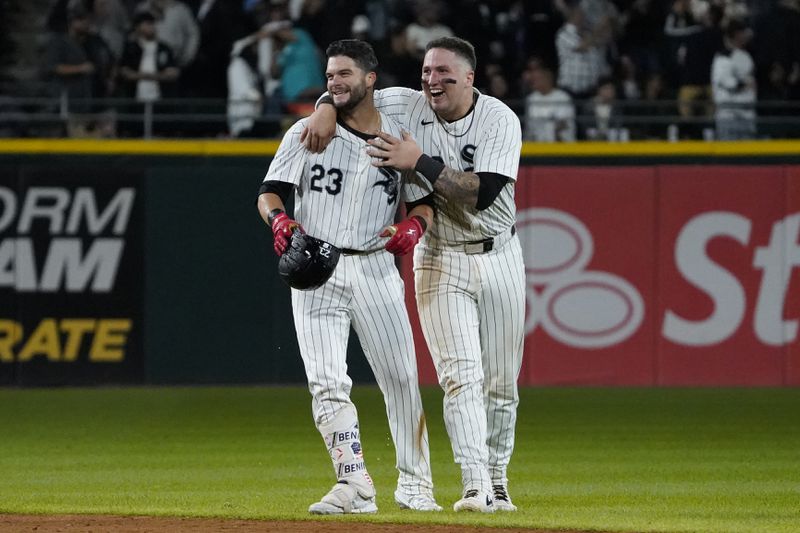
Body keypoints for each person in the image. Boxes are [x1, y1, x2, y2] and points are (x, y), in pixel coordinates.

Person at [302, 36, 525, 513]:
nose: (432, 80)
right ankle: (474, 484)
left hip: (499, 252)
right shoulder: (408, 104)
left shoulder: (499, 119)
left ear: (470, 77)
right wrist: (323, 106)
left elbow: (482, 193)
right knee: (460, 375)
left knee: (502, 383)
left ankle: (498, 477)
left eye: (445, 72)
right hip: (440, 254)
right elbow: (352, 91)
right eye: (427, 71)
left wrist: (419, 162)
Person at [256, 39, 441, 515]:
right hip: (317, 265)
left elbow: (422, 201)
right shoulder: (308, 130)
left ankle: (416, 485)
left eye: (344, 75)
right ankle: (353, 482)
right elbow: (270, 192)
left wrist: (413, 225)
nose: (335, 82)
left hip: (375, 266)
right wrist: (280, 222)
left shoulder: (399, 137)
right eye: (330, 75)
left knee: (399, 377)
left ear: (370, 79)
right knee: (326, 381)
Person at [711, 19, 756, 140]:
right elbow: (726, 82)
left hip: (746, 114)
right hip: (729, 114)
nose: (746, 36)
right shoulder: (724, 56)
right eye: (743, 32)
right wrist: (744, 84)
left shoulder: (745, 54)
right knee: (729, 156)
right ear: (736, 34)